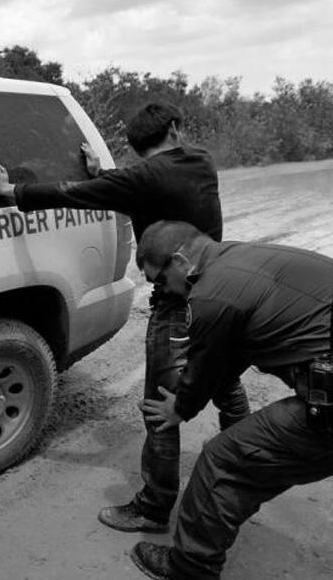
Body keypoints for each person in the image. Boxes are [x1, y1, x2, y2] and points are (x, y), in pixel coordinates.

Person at [0, 102, 250, 534]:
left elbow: (72, 193)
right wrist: (103, 175)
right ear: (176, 129)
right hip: (219, 287)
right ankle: (245, 459)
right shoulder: (201, 161)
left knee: (160, 404)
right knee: (223, 375)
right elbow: (137, 184)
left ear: (135, 145)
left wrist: (12, 191)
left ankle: (154, 506)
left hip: (177, 300)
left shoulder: (141, 179)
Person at [130, 220, 333, 579]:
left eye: (159, 281)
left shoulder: (208, 296)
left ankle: (190, 568)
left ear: (179, 261)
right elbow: (236, 349)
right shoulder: (244, 257)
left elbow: (204, 369)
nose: (164, 291)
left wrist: (178, 409)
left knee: (221, 463)